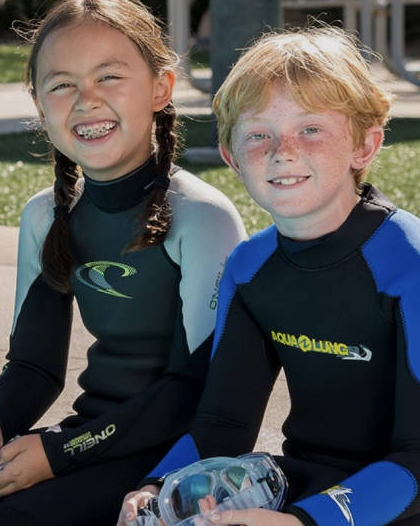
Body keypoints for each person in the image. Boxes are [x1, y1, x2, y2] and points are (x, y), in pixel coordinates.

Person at [0, 0, 246, 526]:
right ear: (40, 106)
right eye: (62, 85)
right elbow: (34, 365)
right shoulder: (46, 216)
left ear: (161, 87)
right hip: (86, 435)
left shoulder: (201, 217)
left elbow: (194, 390)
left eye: (109, 76)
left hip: (169, 454)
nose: (87, 100)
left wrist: (58, 455)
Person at [117, 26, 420, 526]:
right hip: (307, 484)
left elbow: (416, 458)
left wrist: (304, 522)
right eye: (259, 135)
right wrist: (155, 487)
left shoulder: (407, 262)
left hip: (399, 495)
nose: (283, 150)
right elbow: (223, 423)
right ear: (232, 157)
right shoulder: (250, 268)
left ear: (365, 146)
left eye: (311, 129)